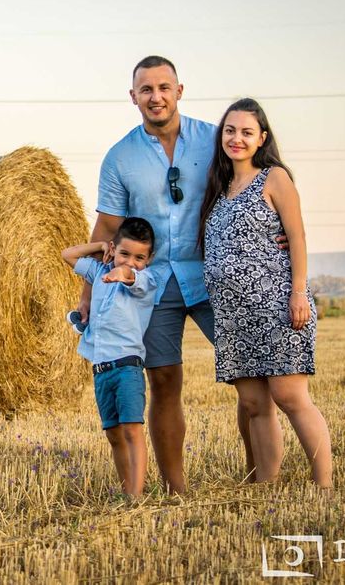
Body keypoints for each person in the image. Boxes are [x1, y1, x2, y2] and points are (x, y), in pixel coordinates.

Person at [82, 55, 284, 493]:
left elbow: (259, 180)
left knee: (249, 378)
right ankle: (177, 489)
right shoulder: (120, 157)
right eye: (146, 89)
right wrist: (86, 294)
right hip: (150, 285)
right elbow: (107, 229)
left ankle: (257, 477)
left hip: (217, 274)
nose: (156, 97)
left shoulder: (213, 140)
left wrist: (281, 230)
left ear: (179, 91)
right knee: (164, 381)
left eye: (163, 87)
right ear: (133, 97)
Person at [199, 98, 333, 487]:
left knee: (289, 396)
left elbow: (297, 236)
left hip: (277, 304)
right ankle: (265, 486)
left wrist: (298, 293)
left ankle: (325, 484)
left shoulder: (274, 178)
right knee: (255, 404)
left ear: (262, 138)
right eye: (229, 130)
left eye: (245, 132)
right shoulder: (218, 188)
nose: (236, 138)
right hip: (233, 315)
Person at [62, 217, 159, 497]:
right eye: (125, 254)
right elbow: (67, 255)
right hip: (101, 370)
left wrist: (124, 272)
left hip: (127, 368)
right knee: (114, 434)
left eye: (140, 257)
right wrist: (100, 245)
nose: (131, 261)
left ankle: (136, 494)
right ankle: (126, 488)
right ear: (114, 249)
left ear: (149, 258)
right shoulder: (99, 272)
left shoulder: (146, 280)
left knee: (131, 430)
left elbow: (133, 277)